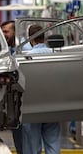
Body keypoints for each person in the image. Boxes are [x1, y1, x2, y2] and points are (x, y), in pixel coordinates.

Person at [22, 24, 61, 154]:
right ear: (44, 38)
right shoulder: (56, 55)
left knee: (32, 144)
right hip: (53, 105)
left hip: (32, 106)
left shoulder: (25, 57)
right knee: (53, 141)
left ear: (30, 39)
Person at [0, 20, 23, 154]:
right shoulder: (6, 51)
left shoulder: (24, 51)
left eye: (6, 31)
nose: (3, 35)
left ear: (16, 32)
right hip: (14, 102)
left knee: (27, 138)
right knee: (19, 135)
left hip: (25, 100)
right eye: (2, 31)